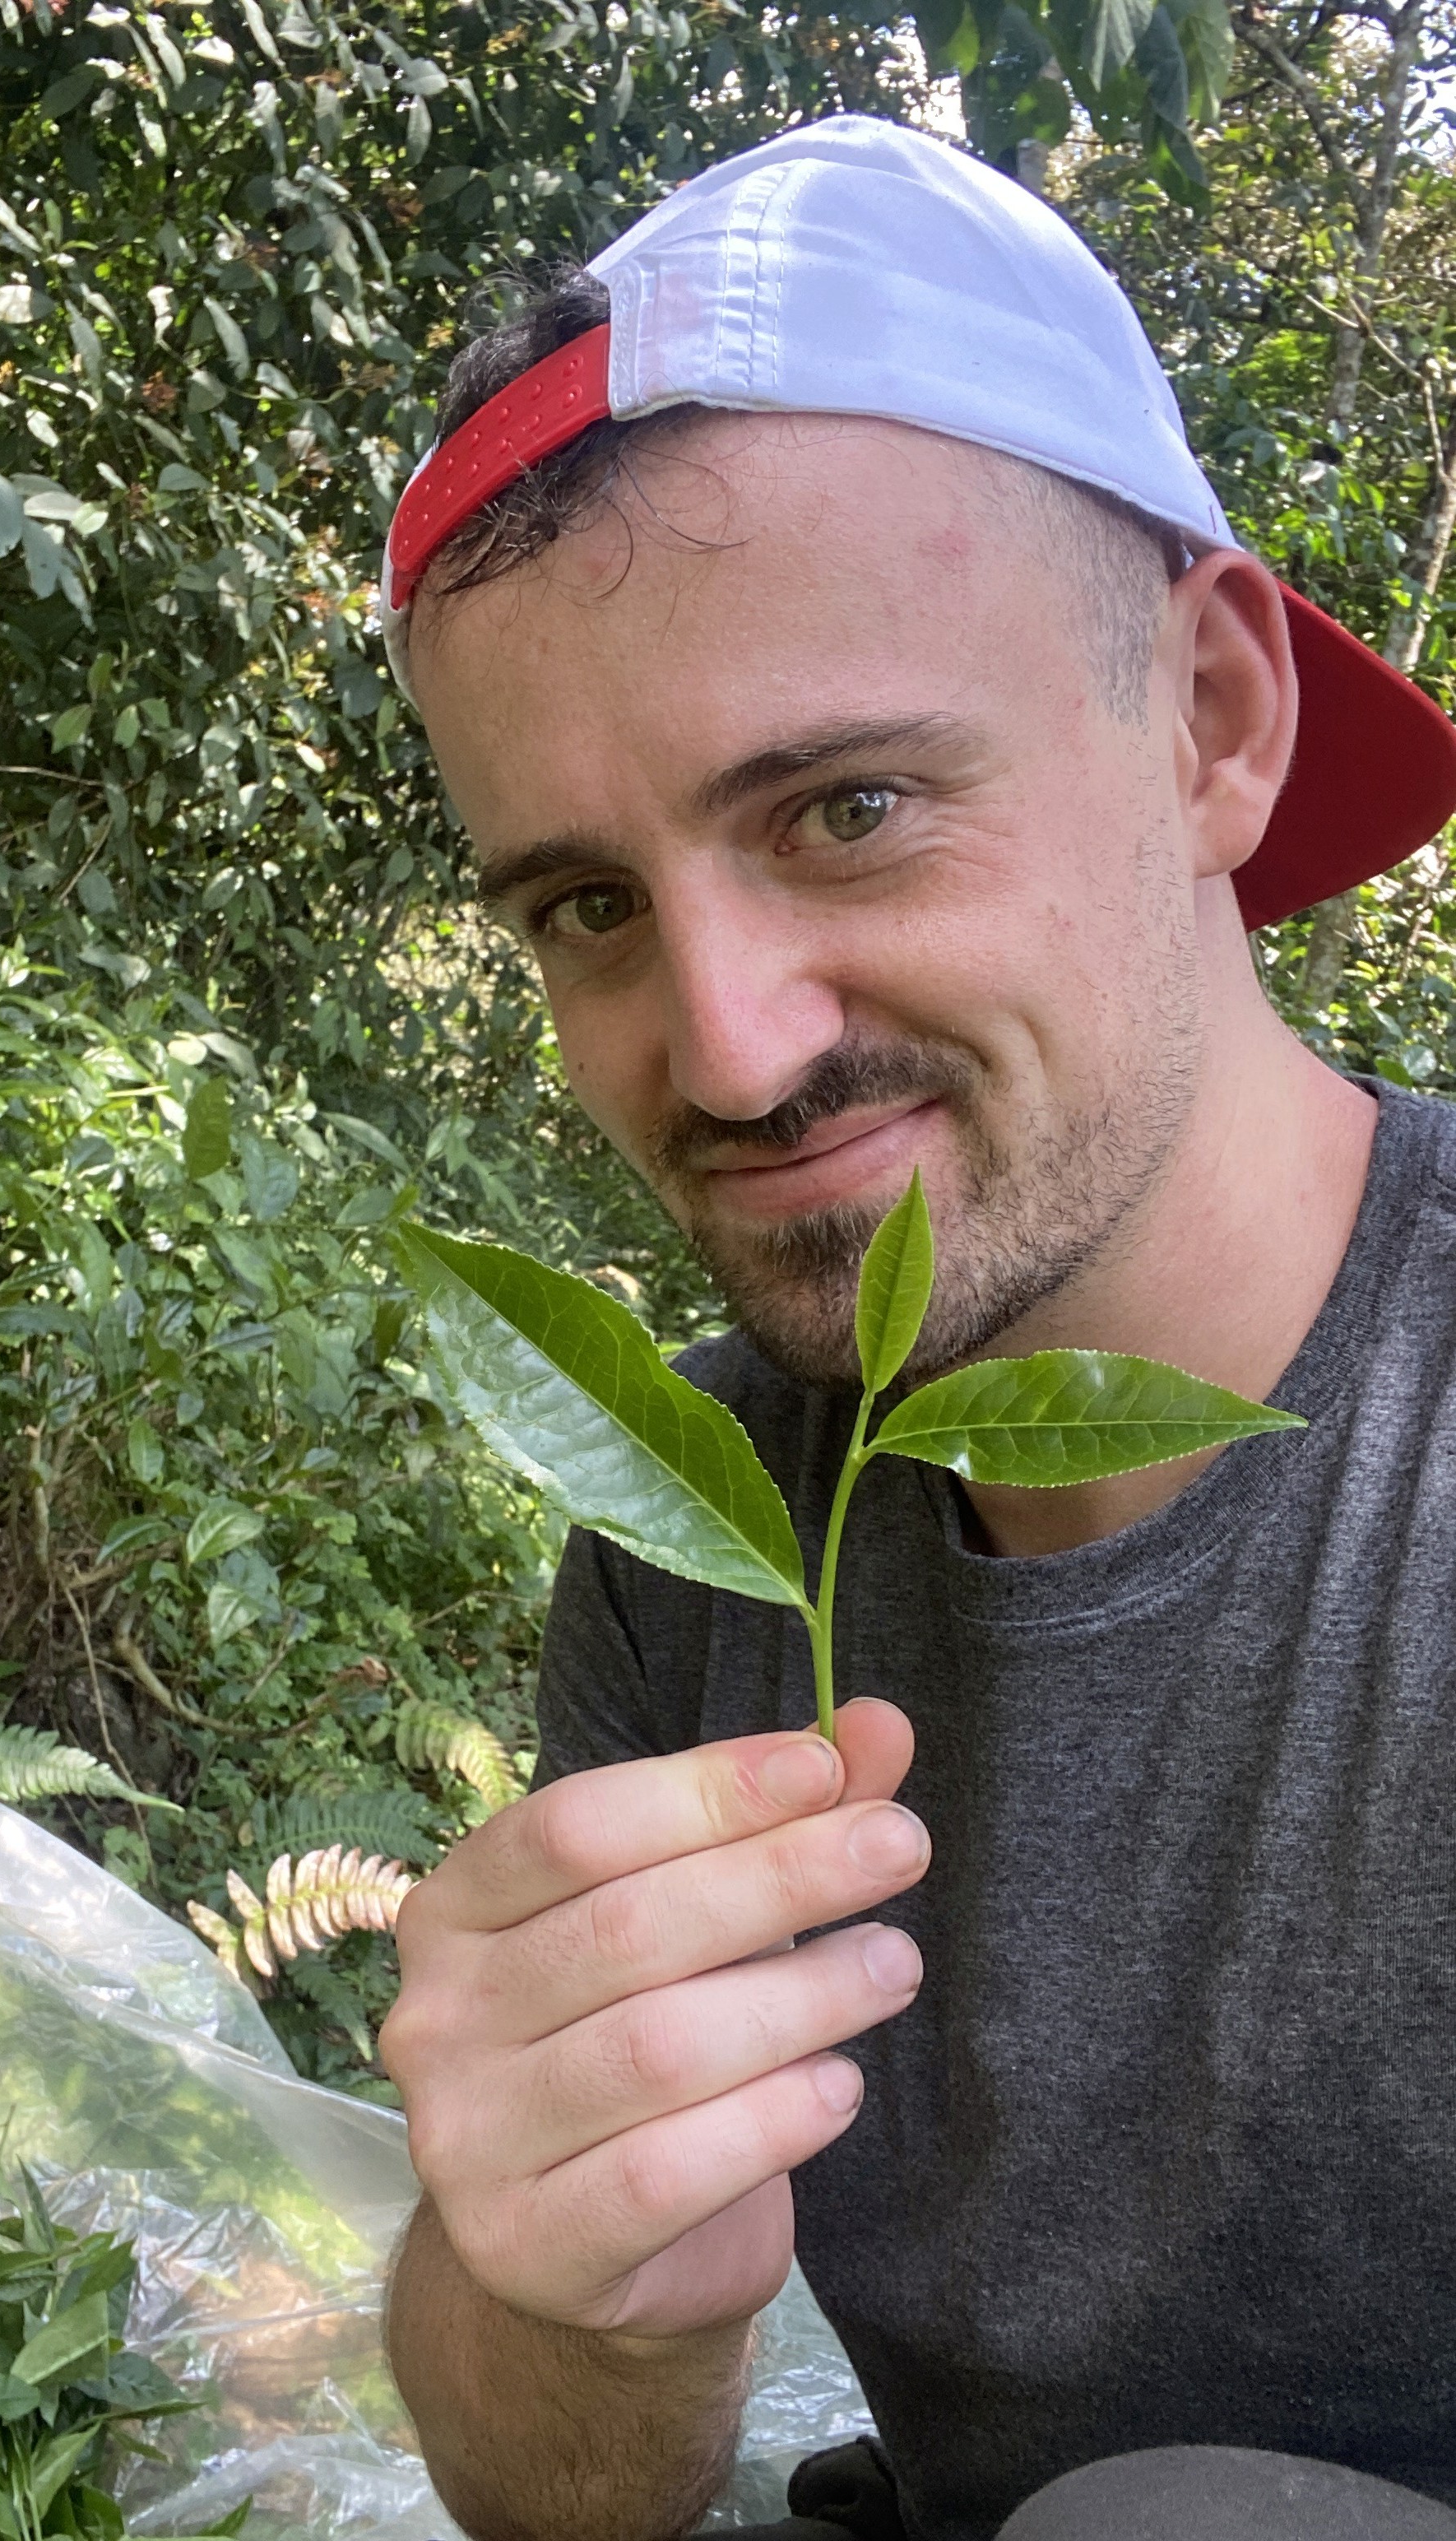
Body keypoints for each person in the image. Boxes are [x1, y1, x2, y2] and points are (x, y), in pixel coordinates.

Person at [369, 115, 1456, 2541]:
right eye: (581, 903)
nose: (730, 1050)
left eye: (846, 809)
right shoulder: (704, 1532)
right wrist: (575, 2280)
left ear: (1205, 717)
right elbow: (562, 2496)